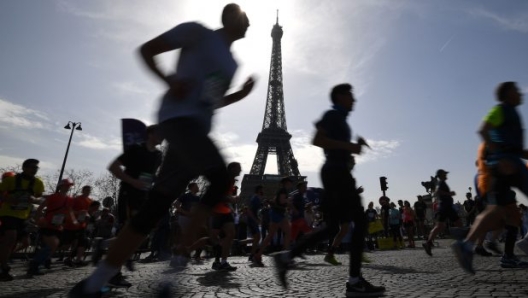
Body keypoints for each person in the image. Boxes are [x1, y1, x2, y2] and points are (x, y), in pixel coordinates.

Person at [69, 4, 254, 297]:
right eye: (245, 18)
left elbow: (211, 102)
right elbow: (148, 50)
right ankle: (176, 268)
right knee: (220, 178)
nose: (250, 24)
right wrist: (169, 80)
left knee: (154, 208)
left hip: (193, 134)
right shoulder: (197, 33)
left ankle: (93, 283)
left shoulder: (231, 64)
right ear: (230, 17)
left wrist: (240, 96)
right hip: (178, 122)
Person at [272, 83, 385, 296]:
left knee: (332, 227)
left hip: (335, 172)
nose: (354, 99)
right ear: (340, 96)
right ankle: (354, 281)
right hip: (336, 173)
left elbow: (334, 145)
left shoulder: (340, 119)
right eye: (350, 95)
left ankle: (287, 256)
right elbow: (317, 140)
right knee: (359, 222)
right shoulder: (332, 115)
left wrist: (352, 147)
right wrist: (349, 147)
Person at [453, 82, 528, 274]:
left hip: (509, 164)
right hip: (505, 166)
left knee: (507, 214)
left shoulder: (511, 113)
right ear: (507, 94)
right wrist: (500, 156)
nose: (520, 92)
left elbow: (515, 148)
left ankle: (476, 247)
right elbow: (483, 130)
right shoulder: (500, 110)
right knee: (502, 213)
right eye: (516, 90)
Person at [0, 159, 45, 282]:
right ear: (24, 167)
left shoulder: (38, 182)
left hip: (24, 215)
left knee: (25, 242)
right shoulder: (11, 180)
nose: (34, 169)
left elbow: (40, 199)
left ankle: (4, 258)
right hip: (8, 213)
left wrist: (34, 200)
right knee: (11, 237)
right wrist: (8, 199)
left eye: (36, 167)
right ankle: (3, 268)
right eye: (32, 167)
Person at [28, 178, 77, 276]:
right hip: (47, 224)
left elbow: (69, 211)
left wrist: (73, 221)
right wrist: (37, 220)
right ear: (60, 186)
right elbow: (41, 207)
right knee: (52, 245)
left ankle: (37, 264)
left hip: (58, 226)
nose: (67, 188)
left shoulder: (70, 199)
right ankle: (34, 264)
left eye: (69, 186)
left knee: (53, 246)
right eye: (66, 185)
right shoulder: (53, 196)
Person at [422, 169, 463, 256]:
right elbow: (437, 192)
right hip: (446, 207)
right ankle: (462, 243)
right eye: (444, 174)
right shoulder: (440, 183)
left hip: (445, 207)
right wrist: (449, 193)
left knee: (439, 226)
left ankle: (428, 243)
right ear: (440, 175)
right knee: (458, 223)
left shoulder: (442, 183)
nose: (446, 175)